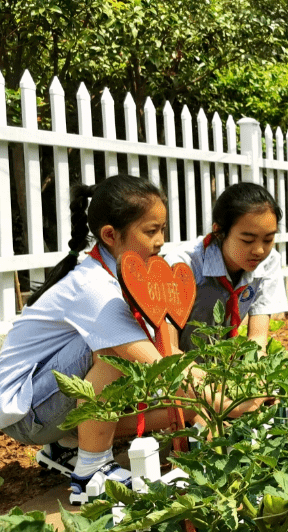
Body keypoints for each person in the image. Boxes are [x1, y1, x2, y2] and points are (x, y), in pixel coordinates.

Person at [0, 175, 195, 502]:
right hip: (27, 414)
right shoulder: (94, 289)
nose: (161, 241)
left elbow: (167, 353)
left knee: (167, 391)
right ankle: (93, 469)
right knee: (115, 353)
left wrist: (204, 398)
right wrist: (227, 397)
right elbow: (159, 366)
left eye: (163, 229)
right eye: (151, 231)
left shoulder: (120, 276)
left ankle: (67, 446)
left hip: (43, 399)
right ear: (110, 235)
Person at [165, 183, 288, 354]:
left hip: (222, 362)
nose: (259, 250)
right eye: (247, 240)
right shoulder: (183, 264)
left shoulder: (269, 261)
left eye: (268, 240)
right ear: (219, 232)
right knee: (211, 296)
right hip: (180, 360)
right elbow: (167, 348)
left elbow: (258, 339)